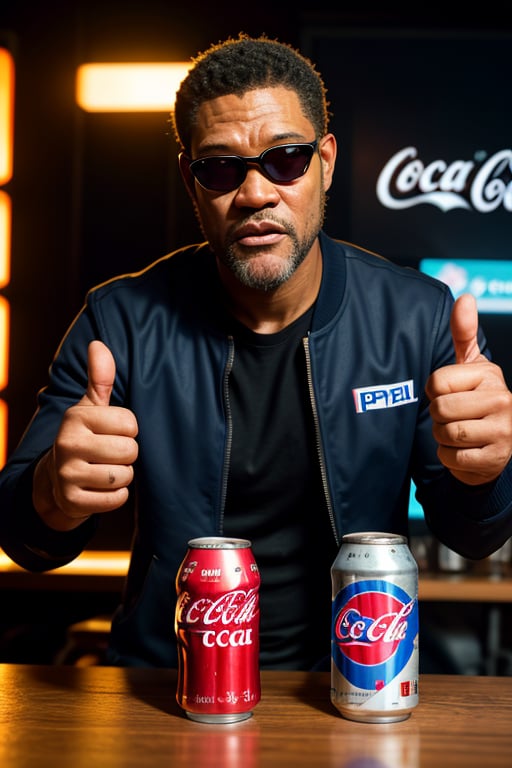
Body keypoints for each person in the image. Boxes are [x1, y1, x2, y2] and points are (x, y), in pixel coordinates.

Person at [1, 33, 512, 671]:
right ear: (192, 186)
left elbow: (476, 536)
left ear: (325, 161)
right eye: (220, 168)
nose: (255, 194)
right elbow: (23, 538)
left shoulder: (419, 318)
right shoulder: (119, 322)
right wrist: (56, 489)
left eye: (286, 160)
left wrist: (486, 473)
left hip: (356, 679)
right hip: (165, 683)